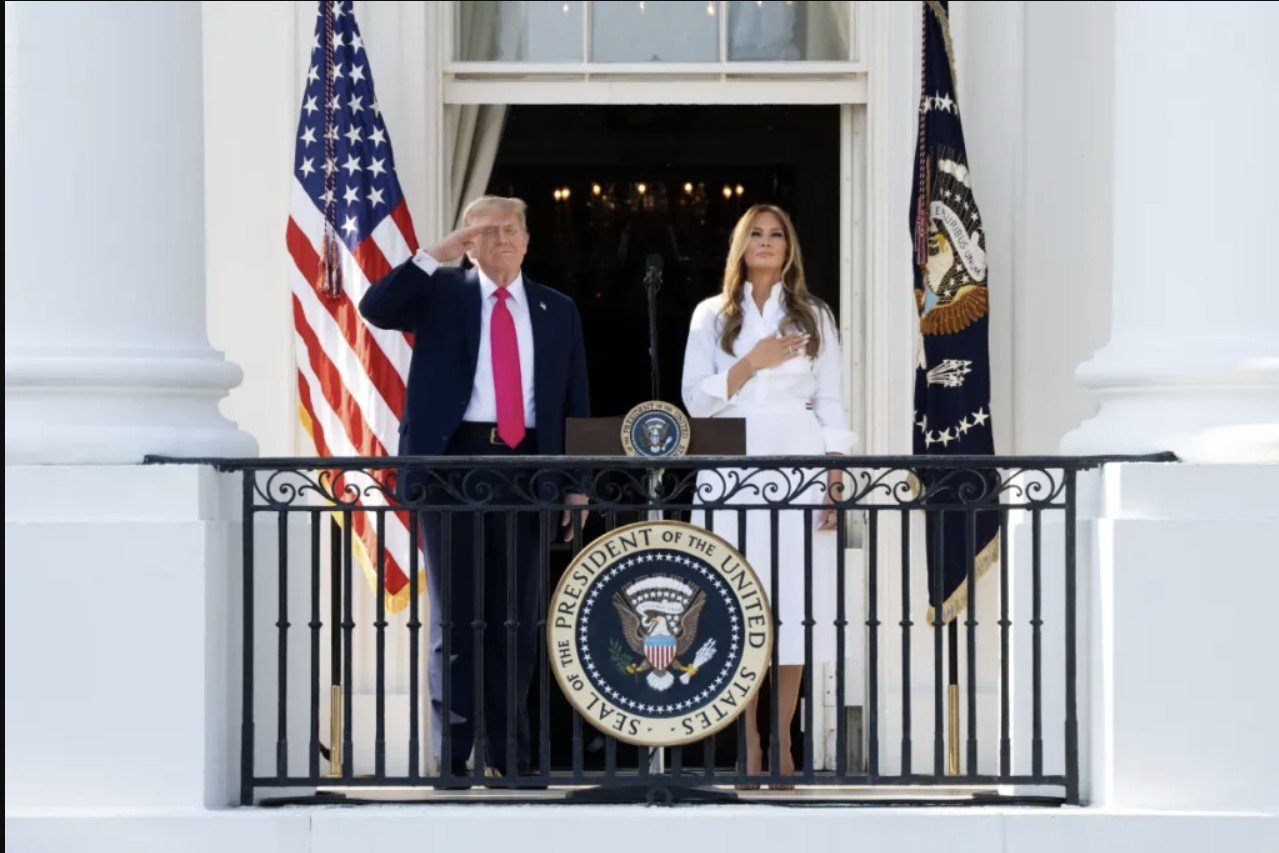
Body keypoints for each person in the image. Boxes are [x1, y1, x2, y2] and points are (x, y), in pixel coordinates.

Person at [359, 195, 590, 783]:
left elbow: (573, 399)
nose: (501, 240)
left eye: (511, 229)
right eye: (486, 231)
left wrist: (576, 485)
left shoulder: (557, 308)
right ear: (467, 241)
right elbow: (376, 308)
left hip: (529, 467)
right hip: (454, 464)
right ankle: (453, 755)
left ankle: (508, 751)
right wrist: (433, 255)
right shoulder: (441, 292)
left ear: (527, 240)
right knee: (457, 618)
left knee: (517, 617)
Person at [681, 204, 853, 788]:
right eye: (755, 233)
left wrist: (833, 478)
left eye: (776, 234)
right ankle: (747, 740)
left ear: (789, 247)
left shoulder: (814, 314)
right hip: (731, 463)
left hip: (797, 458)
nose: (766, 241)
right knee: (737, 602)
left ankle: (783, 737)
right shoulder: (712, 315)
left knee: (794, 603)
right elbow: (695, 402)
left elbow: (830, 400)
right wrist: (752, 363)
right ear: (740, 244)